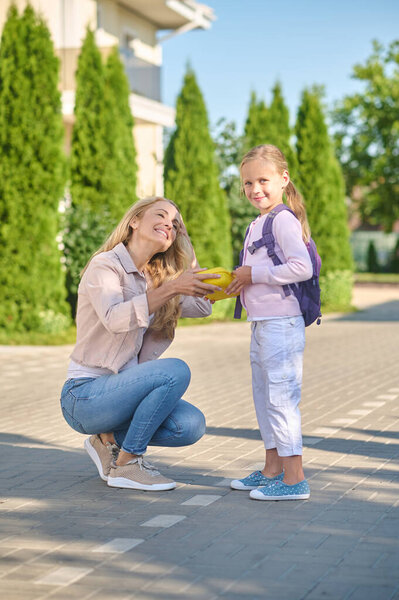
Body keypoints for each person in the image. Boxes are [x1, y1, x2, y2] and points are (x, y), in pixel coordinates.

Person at [60, 196, 221, 492]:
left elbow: (201, 308)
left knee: (190, 425)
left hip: (122, 394)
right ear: (134, 221)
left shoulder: (157, 277)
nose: (169, 224)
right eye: (161, 215)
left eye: (175, 224)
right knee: (174, 371)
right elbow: (114, 317)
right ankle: (127, 464)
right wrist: (173, 287)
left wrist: (185, 248)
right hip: (84, 396)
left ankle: (106, 440)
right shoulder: (105, 266)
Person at [225, 145, 313, 501]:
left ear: (283, 179)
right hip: (262, 323)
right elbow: (257, 274)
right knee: (264, 398)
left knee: (280, 398)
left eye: (263, 180)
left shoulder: (283, 219)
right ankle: (272, 469)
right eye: (248, 182)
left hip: (281, 324)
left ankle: (295, 480)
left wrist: (253, 273)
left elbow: (301, 267)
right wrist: (238, 279)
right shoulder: (257, 222)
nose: (255, 189)